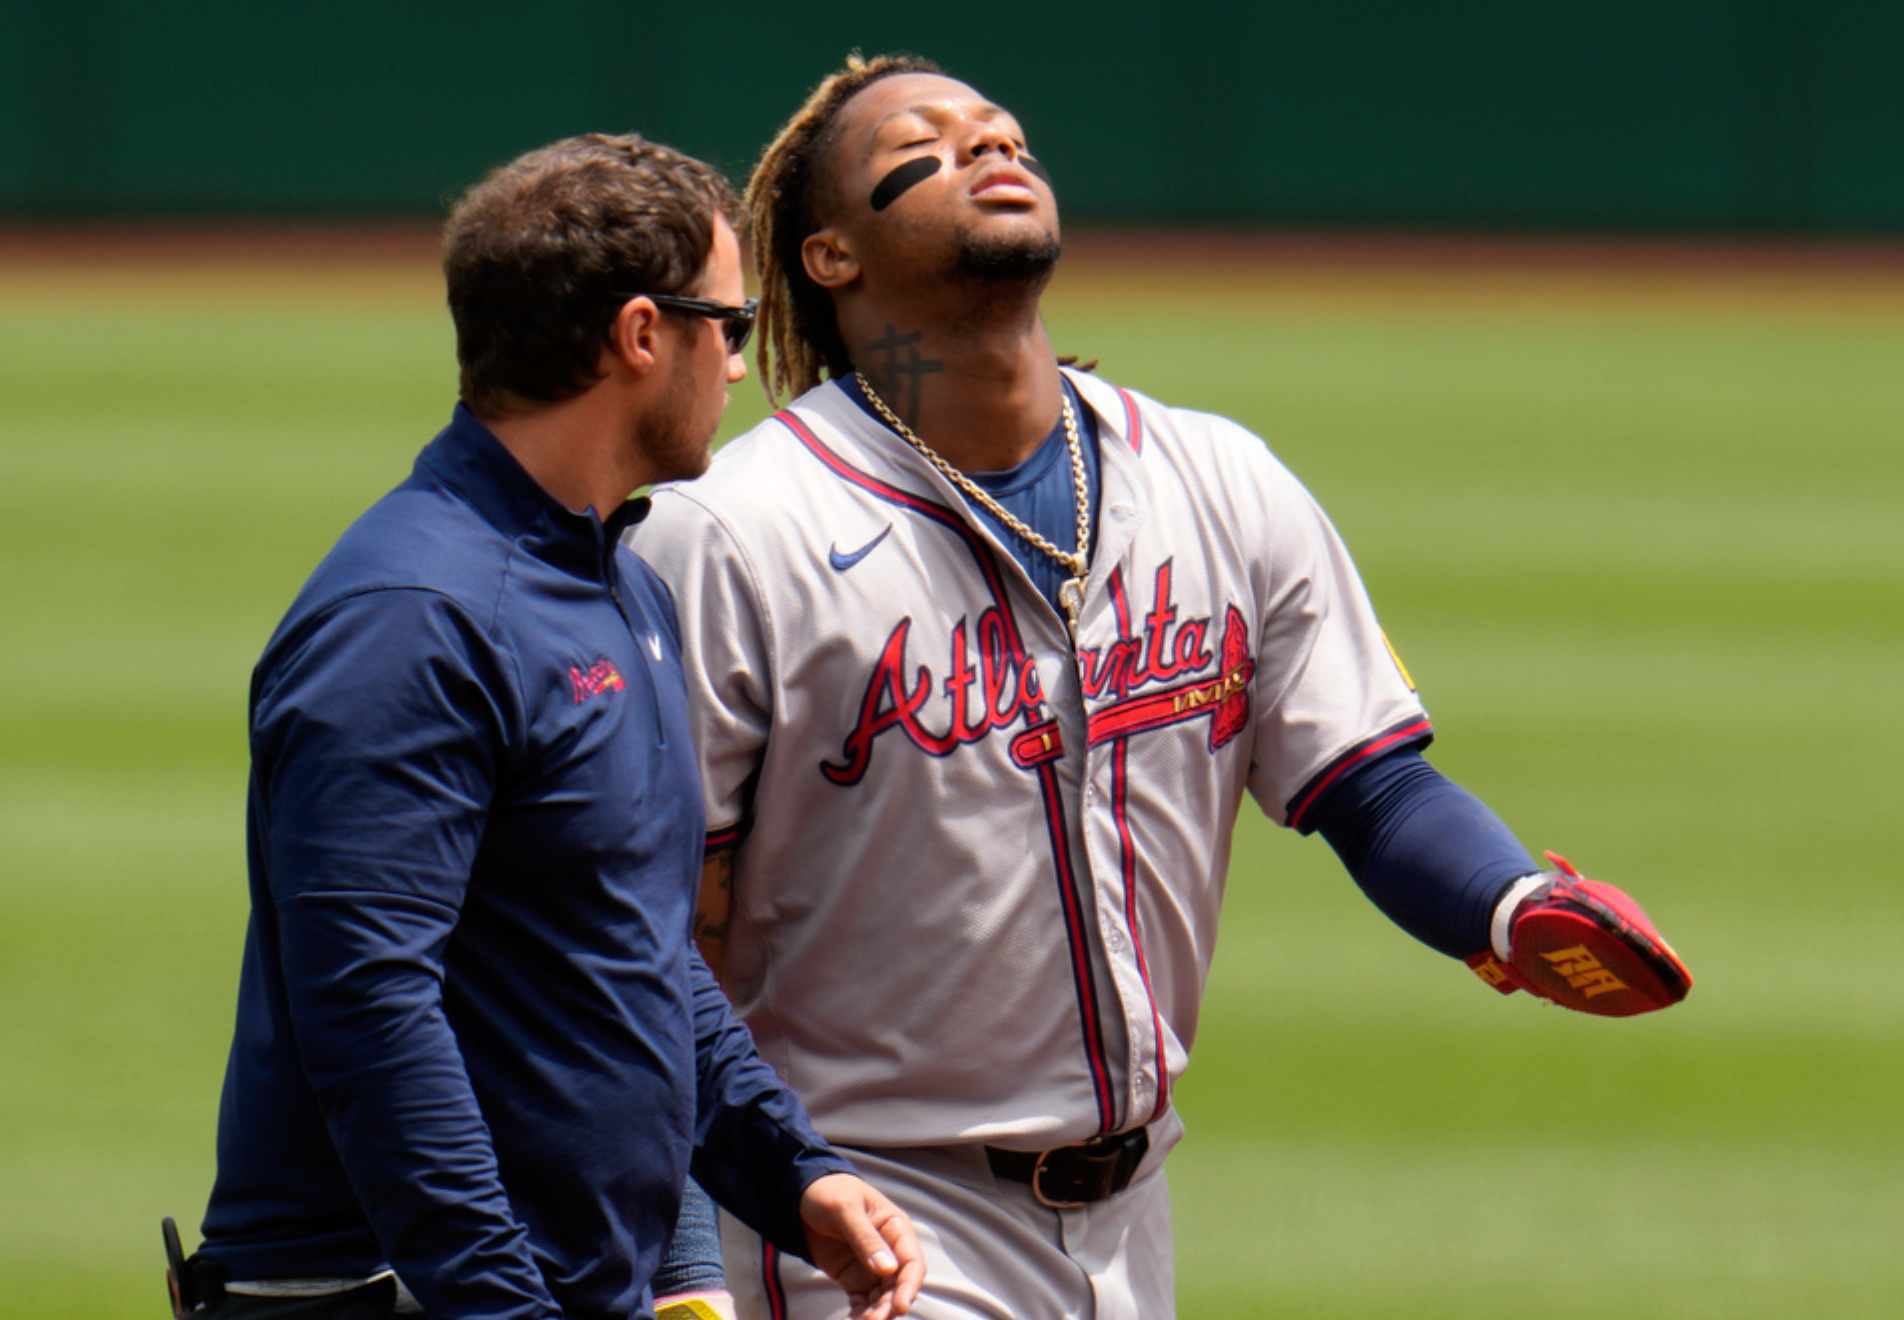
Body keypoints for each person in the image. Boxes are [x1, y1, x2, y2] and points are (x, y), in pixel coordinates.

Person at [628, 57, 1690, 1318]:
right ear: (831, 257)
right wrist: (683, 1253)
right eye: (924, 144)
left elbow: (1369, 784)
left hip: (1132, 1229)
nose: (986, 145)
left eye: (1002, 129)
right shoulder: (733, 535)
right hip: (859, 1220)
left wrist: (1508, 907)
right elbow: (645, 934)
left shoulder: (1216, 479)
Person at [171, 132, 921, 1320]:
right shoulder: (413, 619)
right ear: (639, 335)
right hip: (404, 1295)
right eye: (724, 329)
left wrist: (789, 1171)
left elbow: (635, 940)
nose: (737, 369)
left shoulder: (619, 584)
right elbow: (372, 1011)